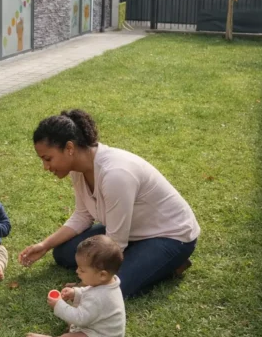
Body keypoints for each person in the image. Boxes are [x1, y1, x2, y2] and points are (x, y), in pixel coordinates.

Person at [19, 110, 200, 298]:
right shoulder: (78, 170)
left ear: (70, 148)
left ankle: (170, 265)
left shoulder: (115, 174)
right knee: (64, 254)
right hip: (129, 232)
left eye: (48, 159)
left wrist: (83, 288)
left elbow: (115, 243)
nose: (45, 167)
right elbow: (83, 215)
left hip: (170, 235)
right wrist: (45, 245)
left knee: (109, 292)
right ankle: (142, 257)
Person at [26, 235, 125, 337]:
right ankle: (74, 330)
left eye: (82, 270)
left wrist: (59, 305)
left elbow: (80, 318)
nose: (77, 271)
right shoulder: (108, 282)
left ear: (102, 275)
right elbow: (89, 291)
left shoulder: (99, 297)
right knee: (74, 313)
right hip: (94, 324)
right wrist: (76, 292)